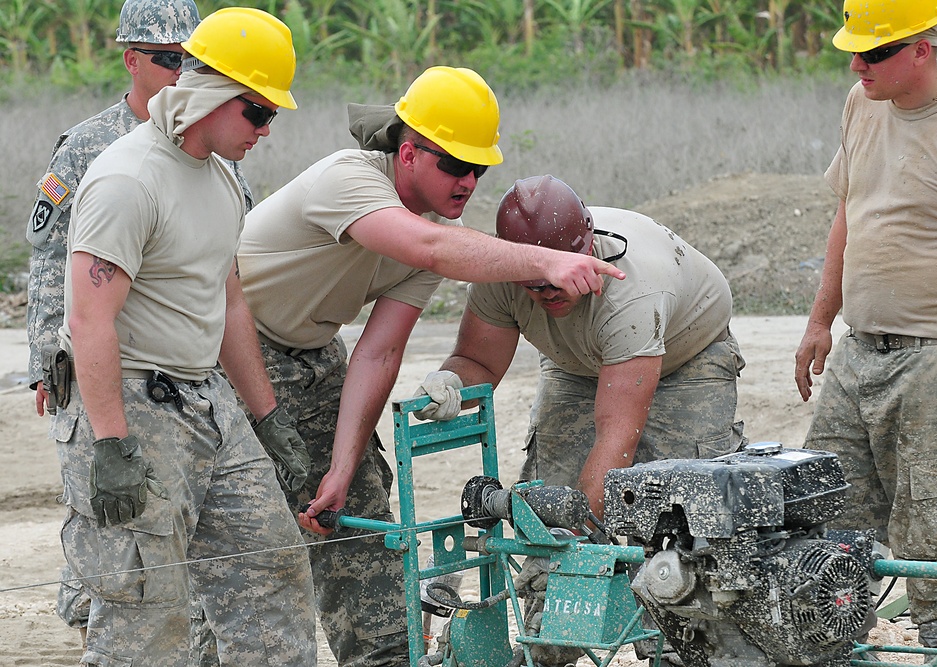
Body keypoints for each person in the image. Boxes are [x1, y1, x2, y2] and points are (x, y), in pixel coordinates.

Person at [235, 67, 625, 665]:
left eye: (479, 170)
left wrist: (344, 462)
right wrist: (544, 259)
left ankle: (385, 656)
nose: (467, 181)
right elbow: (431, 249)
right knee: (245, 533)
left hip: (314, 357)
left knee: (355, 509)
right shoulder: (349, 177)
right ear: (409, 152)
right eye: (453, 165)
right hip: (228, 353)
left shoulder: (431, 232)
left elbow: (380, 350)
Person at [50, 7, 316, 666]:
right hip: (133, 404)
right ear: (214, 93)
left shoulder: (222, 173)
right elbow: (89, 319)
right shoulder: (127, 179)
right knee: (148, 611)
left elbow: (226, 298)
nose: (266, 130)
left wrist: (269, 415)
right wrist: (111, 444)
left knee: (272, 568)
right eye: (258, 113)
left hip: (208, 402)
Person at [413, 174, 745, 666]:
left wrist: (572, 540)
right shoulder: (503, 277)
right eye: (532, 282)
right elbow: (479, 362)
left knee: (687, 506)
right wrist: (451, 384)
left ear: (587, 247)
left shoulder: (629, 293)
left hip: (685, 359)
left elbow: (616, 439)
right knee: (552, 490)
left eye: (555, 280)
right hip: (577, 362)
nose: (544, 293)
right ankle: (550, 640)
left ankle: (682, 646)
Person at [22, 0, 250, 655]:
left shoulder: (218, 138)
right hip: (101, 359)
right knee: (110, 520)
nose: (184, 72)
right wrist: (46, 357)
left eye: (196, 60)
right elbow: (49, 255)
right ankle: (97, 619)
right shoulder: (91, 144)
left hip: (183, 370)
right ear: (132, 61)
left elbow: (225, 263)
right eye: (169, 59)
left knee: (182, 525)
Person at [793, 1, 937, 663]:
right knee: (821, 515)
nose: (857, 64)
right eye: (854, 50)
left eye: (874, 52)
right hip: (859, 353)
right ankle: (833, 646)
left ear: (923, 47)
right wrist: (821, 319)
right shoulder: (863, 103)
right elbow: (848, 214)